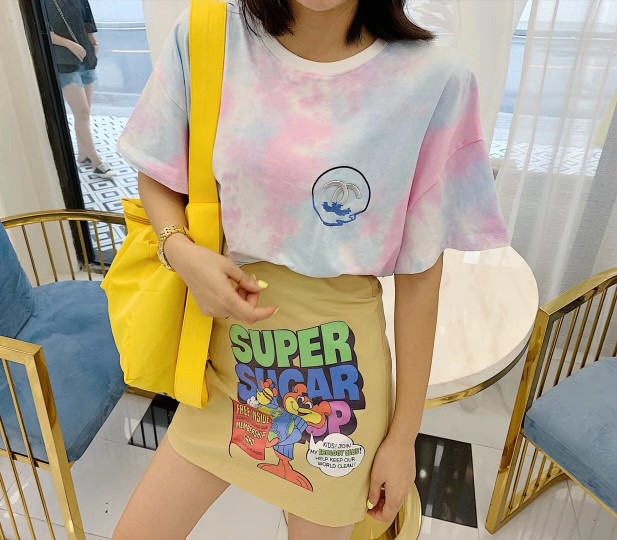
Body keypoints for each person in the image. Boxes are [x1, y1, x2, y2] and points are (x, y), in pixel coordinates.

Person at [112, 1, 511, 539]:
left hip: (340, 385)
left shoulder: (435, 79)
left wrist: (403, 438)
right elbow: (159, 171)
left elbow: (421, 273)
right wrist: (180, 252)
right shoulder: (211, 36)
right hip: (227, 367)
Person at [45, 0, 114, 178]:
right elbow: (45, 32)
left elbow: (87, 19)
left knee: (84, 113)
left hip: (86, 57)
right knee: (82, 112)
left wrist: (94, 43)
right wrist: (70, 44)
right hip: (64, 61)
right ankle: (96, 163)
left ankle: (83, 154)